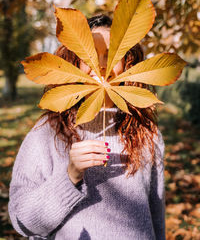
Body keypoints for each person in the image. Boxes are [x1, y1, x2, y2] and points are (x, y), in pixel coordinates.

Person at [8, 14, 166, 240]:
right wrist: (70, 176)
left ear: (128, 61)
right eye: (89, 55)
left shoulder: (147, 133)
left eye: (112, 55)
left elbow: (156, 216)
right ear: (74, 61)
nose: (101, 65)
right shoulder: (47, 133)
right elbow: (23, 222)